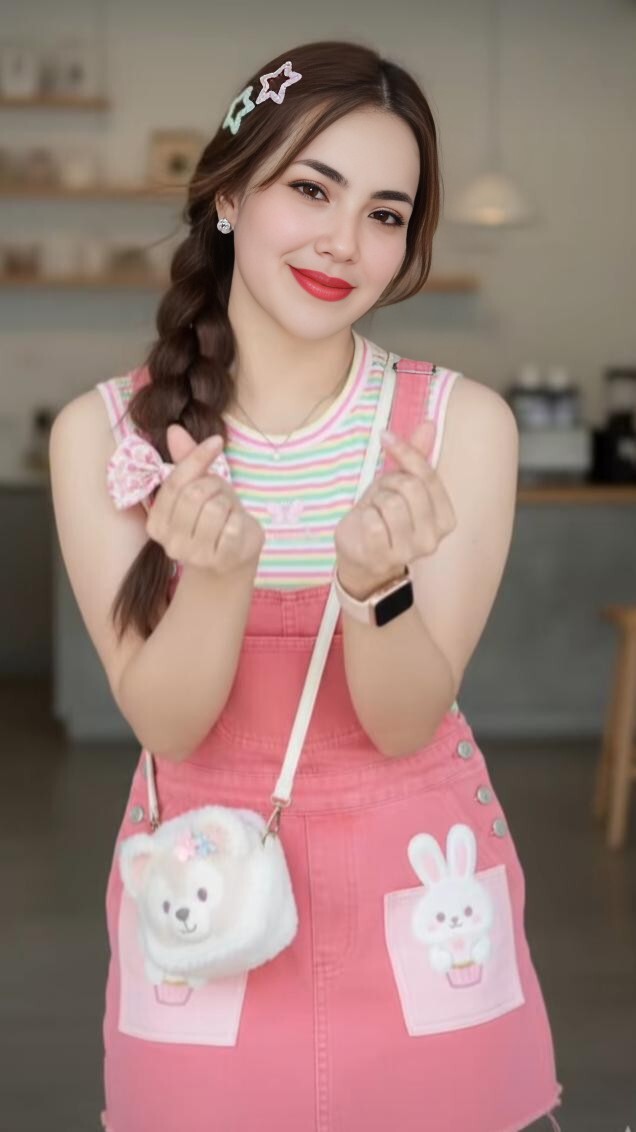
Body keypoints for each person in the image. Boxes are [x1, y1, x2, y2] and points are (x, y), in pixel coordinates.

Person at [49, 37, 564, 1132]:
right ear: (230, 195)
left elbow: (403, 721)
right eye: (312, 190)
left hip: (419, 893)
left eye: (386, 213)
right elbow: (169, 724)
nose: (344, 242)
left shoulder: (459, 427)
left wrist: (378, 588)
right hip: (207, 903)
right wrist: (220, 575)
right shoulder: (104, 435)